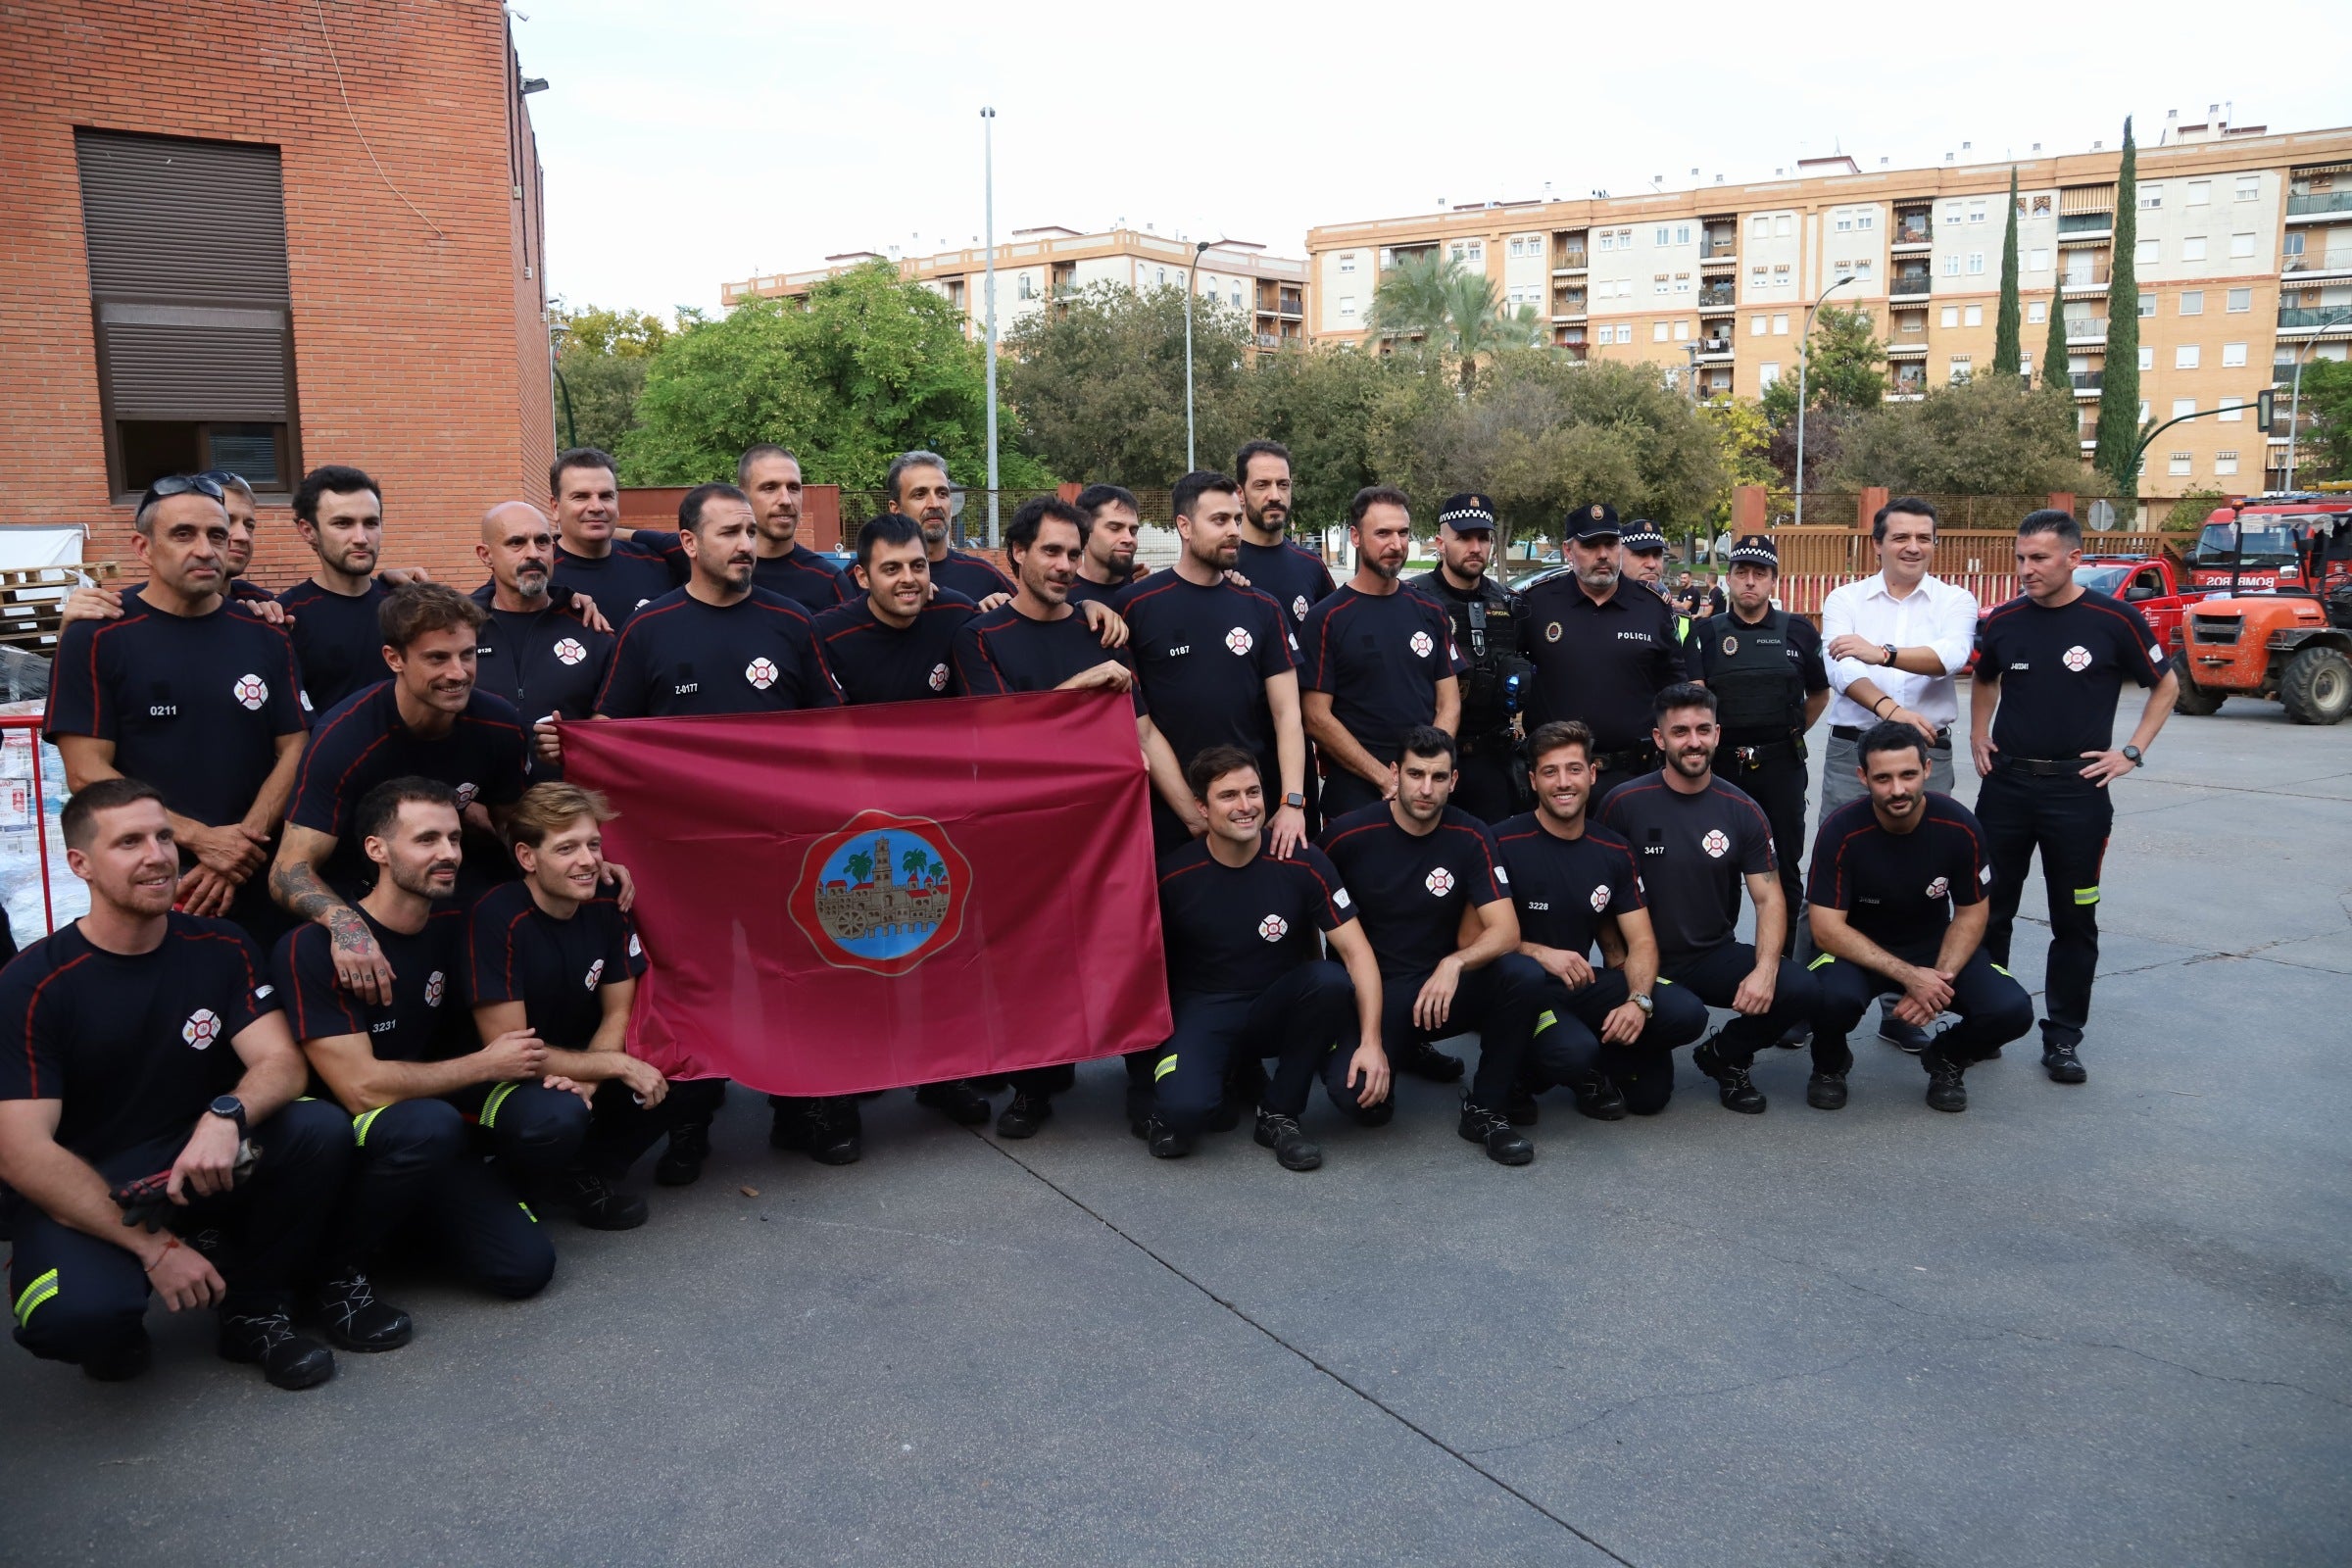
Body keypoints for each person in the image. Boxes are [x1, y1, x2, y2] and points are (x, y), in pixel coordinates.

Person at [0, 778, 350, 1389]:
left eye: (164, 837)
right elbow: (22, 1152)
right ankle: (115, 1308)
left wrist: (226, 1113)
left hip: (195, 1162)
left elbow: (281, 1062)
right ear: (80, 864)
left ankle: (255, 1309)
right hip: (96, 1184)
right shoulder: (31, 984)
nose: (158, 856)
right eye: (129, 842)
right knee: (79, 1318)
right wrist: (155, 1249)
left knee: (317, 1128)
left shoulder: (222, 945)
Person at [275, 779, 586, 1345]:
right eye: (426, 840)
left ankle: (406, 1229)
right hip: (344, 1139)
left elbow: (544, 888)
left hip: (428, 1130)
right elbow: (362, 1090)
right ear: (376, 850)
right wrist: (487, 1064)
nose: (448, 853)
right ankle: (331, 1273)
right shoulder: (314, 947)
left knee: (525, 1267)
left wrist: (604, 870)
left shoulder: (457, 920)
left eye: (454, 838)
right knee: (428, 1123)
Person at [953, 496, 1197, 1140]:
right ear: (1017, 554)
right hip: (1027, 835)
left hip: (1109, 834)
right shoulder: (980, 637)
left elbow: (1145, 732)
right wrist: (1084, 685)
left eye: (1071, 553)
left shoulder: (1099, 628)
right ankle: (1033, 1088)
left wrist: (1194, 817)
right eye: (1050, 552)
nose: (1063, 565)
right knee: (1034, 963)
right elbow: (1000, 737)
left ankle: (1145, 1087)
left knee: (1133, 954)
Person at [46, 474, 308, 941]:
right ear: (143, 548)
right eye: (183, 534)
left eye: (217, 535)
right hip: (154, 883)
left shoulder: (267, 633)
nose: (205, 550)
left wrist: (240, 846)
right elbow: (85, 772)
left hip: (255, 874)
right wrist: (200, 839)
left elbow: (296, 747)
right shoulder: (96, 635)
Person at [1971, 510, 2178, 1085]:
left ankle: (2062, 1036)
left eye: (2039, 558)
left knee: (2074, 917)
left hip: (2078, 793)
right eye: (2021, 558)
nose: (2026, 569)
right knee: (1988, 910)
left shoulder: (2115, 619)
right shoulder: (2004, 619)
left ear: (2073, 558)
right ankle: (1987, 1022)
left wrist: (2131, 752)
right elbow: (1984, 678)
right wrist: (1978, 733)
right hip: (2007, 788)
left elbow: (2166, 684)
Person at [271, 583, 533, 1004]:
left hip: (451, 893)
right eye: (437, 658)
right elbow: (288, 869)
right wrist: (346, 926)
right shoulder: (345, 738)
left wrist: (580, 854)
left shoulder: (500, 724)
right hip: (362, 900)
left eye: (467, 655)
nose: (458, 673)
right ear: (394, 659)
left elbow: (517, 830)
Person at [467, 784, 710, 1222]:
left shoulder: (606, 899)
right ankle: (509, 1179)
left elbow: (619, 1010)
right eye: (567, 848)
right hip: (505, 1080)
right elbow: (511, 1052)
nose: (588, 861)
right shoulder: (497, 917)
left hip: (583, 1058)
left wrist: (593, 1080)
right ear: (527, 857)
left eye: (593, 844)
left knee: (693, 1061)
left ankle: (580, 1173)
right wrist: (615, 1066)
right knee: (558, 1114)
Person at [1144, 746, 1387, 1170]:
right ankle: (1224, 1074)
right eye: (1228, 795)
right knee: (1185, 1112)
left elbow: (1357, 952)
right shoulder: (1173, 876)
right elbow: (1140, 970)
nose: (1245, 806)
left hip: (1277, 1007)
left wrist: (1372, 1042)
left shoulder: (1303, 860)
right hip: (1206, 1009)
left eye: (1253, 792)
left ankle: (1278, 1113)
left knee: (1331, 984)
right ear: (1201, 807)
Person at [1316, 726, 1542, 1163]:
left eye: (1438, 777)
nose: (1425, 789)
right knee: (1359, 1100)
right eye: (1415, 774)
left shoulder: (1471, 834)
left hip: (1439, 992)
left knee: (1522, 974)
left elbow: (1505, 931)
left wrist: (1454, 963)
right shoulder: (1348, 834)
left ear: (1453, 781)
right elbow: (1303, 900)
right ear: (1395, 773)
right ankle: (1381, 1049)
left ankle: (1486, 1109)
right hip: (1375, 994)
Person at [1597, 684, 1820, 1114]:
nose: (1693, 741)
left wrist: (1765, 971)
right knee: (1646, 1100)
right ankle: (1624, 1049)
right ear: (1659, 738)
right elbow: (1601, 890)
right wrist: (1616, 959)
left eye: (1703, 729)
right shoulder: (1622, 803)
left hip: (1711, 955)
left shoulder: (1742, 809)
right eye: (1680, 731)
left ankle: (1725, 1056)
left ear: (1717, 734)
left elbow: (1769, 898)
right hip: (1642, 962)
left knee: (1801, 987)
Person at [1814, 496, 1980, 1051]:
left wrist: (1881, 652)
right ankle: (1808, 1001)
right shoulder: (1845, 598)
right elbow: (1840, 667)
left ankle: (1903, 1010)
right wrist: (1893, 712)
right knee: (1832, 873)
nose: (1913, 547)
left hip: (1928, 754)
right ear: (1878, 544)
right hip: (1854, 752)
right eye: (1901, 537)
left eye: (1924, 538)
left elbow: (1952, 656)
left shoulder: (1955, 600)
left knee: (1920, 877)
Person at [1806, 723, 2034, 1112]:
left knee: (2011, 1010)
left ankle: (1947, 1058)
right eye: (1883, 778)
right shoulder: (1840, 831)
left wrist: (1936, 981)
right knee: (1826, 998)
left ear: (1927, 769)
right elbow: (1826, 930)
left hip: (1932, 946)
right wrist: (1911, 978)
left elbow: (1971, 914)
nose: (1898, 789)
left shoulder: (1960, 826)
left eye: (1908, 774)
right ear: (1863, 777)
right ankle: (1829, 1064)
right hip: (1857, 948)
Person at [1493, 721, 1710, 1119]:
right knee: (1571, 1051)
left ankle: (1600, 1060)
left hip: (1580, 986)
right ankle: (1523, 1076)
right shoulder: (1500, 842)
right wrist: (1540, 953)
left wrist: (1637, 1002)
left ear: (1592, 774)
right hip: (1521, 992)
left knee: (1684, 1016)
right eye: (1550, 771)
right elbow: (1471, 938)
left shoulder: (1614, 850)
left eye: (1574, 769)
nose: (1564, 782)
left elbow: (1641, 942)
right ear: (1533, 781)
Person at [1113, 470, 1306, 856]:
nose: (1234, 530)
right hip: (1170, 815)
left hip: (1251, 811)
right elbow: (1140, 728)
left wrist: (1292, 802)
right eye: (1219, 520)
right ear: (1184, 526)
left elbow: (1288, 714)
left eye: (1236, 519)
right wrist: (1193, 816)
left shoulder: (1263, 607)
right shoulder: (1134, 606)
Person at [1683, 536, 1830, 962]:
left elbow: (1819, 693)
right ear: (1728, 579)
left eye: (1759, 574)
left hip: (1781, 767)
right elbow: (1696, 702)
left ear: (1773, 581)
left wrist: (1790, 733)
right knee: (1718, 867)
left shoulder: (1798, 630)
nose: (1750, 582)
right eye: (1742, 573)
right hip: (1722, 769)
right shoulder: (1705, 633)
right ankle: (1717, 962)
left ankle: (1786, 966)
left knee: (1784, 869)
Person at [589, 483, 840, 721]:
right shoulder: (644, 628)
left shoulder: (795, 622)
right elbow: (608, 726)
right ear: (690, 543)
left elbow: (831, 722)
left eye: (751, 532)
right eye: (730, 533)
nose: (746, 546)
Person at [1299, 487, 1464, 819]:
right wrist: (1386, 779)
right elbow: (1315, 716)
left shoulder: (1431, 611)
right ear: (1356, 537)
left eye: (1403, 533)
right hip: (1355, 794)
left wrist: (1426, 771)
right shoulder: (1326, 618)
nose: (1396, 544)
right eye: (1383, 533)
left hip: (1421, 793)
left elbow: (1449, 703)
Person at [1518, 504, 1691, 812]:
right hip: (1557, 779)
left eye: (1610, 544)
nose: (1602, 554)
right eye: (1590, 545)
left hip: (1634, 777)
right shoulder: (1537, 604)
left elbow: (1675, 690)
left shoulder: (1651, 607)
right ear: (1568, 550)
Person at [1406, 492, 1531, 824]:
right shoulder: (1412, 600)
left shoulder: (1508, 602)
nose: (1475, 547)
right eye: (1463, 538)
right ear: (1440, 543)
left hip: (1492, 762)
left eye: (1483, 538)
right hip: (1429, 763)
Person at [469, 502, 614, 783]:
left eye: (542, 541)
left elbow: (618, 728)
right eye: (516, 543)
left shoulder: (592, 631)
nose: (533, 553)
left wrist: (575, 746)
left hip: (570, 803)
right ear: (486, 555)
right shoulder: (458, 630)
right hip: (480, 805)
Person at [622, 446, 845, 612]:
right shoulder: (700, 553)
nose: (786, 500)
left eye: (794, 488)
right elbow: (613, 535)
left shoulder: (827, 581)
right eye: (770, 488)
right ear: (742, 496)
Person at [278, 465, 395, 713]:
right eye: (343, 523)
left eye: (371, 523)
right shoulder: (287, 617)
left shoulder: (404, 604)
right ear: (308, 531)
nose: (361, 538)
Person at [838, 451, 1015, 607]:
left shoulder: (983, 576)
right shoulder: (864, 574)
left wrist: (988, 618)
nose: (934, 504)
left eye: (942, 493)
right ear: (895, 508)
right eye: (920, 494)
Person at [549, 447, 675, 627]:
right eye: (581, 497)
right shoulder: (540, 575)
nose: (596, 507)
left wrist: (630, 534)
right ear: (555, 507)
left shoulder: (655, 563)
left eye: (606, 496)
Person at [1232, 439, 1337, 630]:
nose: (1275, 496)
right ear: (1240, 493)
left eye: (1283, 484)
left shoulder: (1312, 565)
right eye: (1262, 485)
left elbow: (1334, 634)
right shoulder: (1222, 567)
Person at [1619, 521, 1694, 655]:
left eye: (1657, 555)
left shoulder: (1680, 620)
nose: (1652, 564)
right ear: (1618, 557)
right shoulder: (1600, 612)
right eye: (1641, 554)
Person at [1068, 483, 1146, 607]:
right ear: (1085, 531)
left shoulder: (1144, 590)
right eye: (1115, 528)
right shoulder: (1061, 595)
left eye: (1133, 531)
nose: (1128, 539)